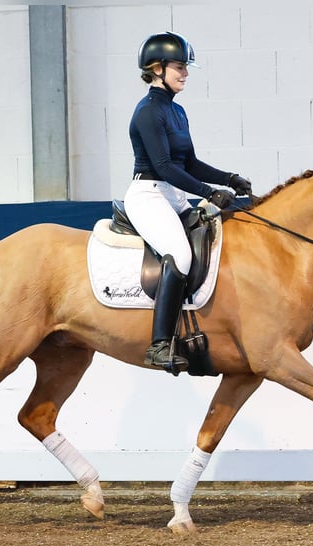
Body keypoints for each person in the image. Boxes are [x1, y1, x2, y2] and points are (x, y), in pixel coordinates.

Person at [124, 31, 252, 374]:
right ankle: (159, 345)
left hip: (173, 194)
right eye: (179, 66)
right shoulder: (148, 112)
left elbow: (189, 163)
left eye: (186, 67)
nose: (186, 73)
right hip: (149, 195)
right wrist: (208, 193)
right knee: (179, 255)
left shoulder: (176, 112)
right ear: (157, 68)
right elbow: (164, 167)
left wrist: (228, 178)